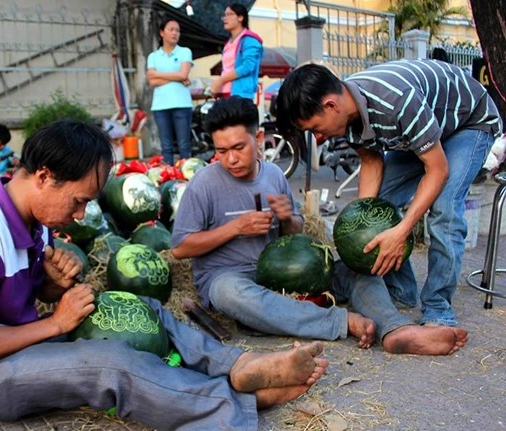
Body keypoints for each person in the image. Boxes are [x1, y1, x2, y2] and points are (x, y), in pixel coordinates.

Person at [0, 119, 329, 429]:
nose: (79, 216)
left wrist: (52, 284)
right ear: (43, 176)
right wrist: (56, 323)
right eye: (77, 201)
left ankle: (237, 365)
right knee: (107, 363)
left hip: (10, 345)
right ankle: (233, 404)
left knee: (139, 307)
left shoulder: (30, 220)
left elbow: (14, 295)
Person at [171, 96, 468, 355]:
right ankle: (340, 322)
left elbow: (294, 233)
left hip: (285, 277)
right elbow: (182, 247)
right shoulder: (203, 184)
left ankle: (395, 330)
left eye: (238, 147)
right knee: (229, 294)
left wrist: (288, 218)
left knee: (357, 268)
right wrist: (235, 228)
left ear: (259, 138)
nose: (231, 159)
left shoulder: (273, 174)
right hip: (231, 278)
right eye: (221, 151)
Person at [276, 61, 503, 328]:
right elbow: (372, 163)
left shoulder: (395, 101)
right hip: (424, 132)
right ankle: (401, 291)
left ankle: (438, 308)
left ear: (330, 105)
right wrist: (359, 227)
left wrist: (403, 229)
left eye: (315, 128)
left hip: (468, 123)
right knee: (377, 212)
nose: (317, 137)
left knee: (445, 210)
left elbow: (437, 169)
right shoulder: (348, 115)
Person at [146, 18, 193, 166]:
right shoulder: (153, 56)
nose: (175, 33)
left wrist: (159, 74)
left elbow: (184, 75)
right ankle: (168, 177)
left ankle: (186, 177)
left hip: (182, 104)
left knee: (184, 145)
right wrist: (177, 77)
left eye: (177, 30)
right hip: (160, 106)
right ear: (162, 33)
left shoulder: (185, 52)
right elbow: (151, 81)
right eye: (171, 29)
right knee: (166, 147)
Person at [210, 3, 263, 100]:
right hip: (224, 93)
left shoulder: (250, 40)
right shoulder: (228, 43)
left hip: (240, 94)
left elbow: (247, 67)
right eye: (224, 15)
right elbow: (226, 69)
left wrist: (221, 80)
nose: (225, 18)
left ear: (240, 17)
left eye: (229, 14)